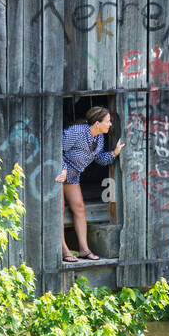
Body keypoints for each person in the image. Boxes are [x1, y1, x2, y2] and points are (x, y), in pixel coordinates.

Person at [55, 105, 123, 262]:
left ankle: (84, 250)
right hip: (57, 173)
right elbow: (55, 148)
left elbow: (98, 158)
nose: (111, 124)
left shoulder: (98, 137)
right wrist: (63, 168)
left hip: (73, 176)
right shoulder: (77, 132)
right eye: (108, 121)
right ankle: (65, 251)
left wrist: (114, 153)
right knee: (57, 209)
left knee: (79, 208)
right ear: (97, 123)